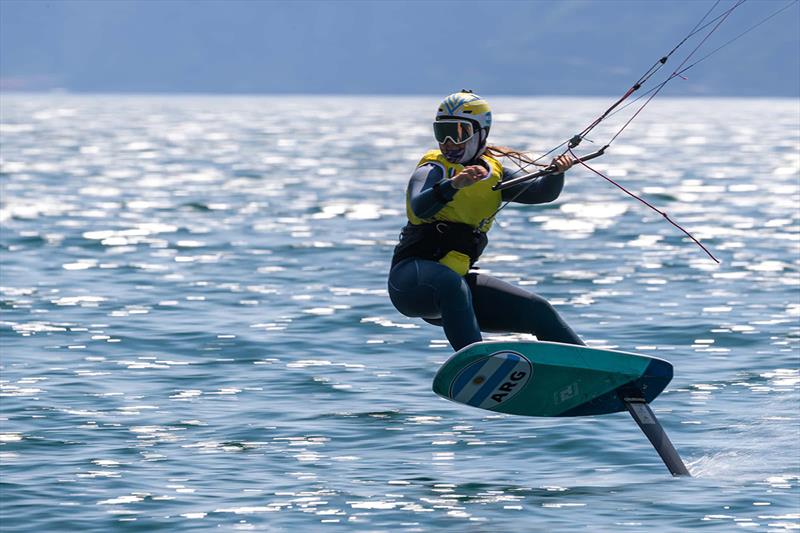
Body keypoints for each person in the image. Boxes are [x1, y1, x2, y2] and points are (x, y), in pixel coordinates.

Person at [388, 90, 585, 351]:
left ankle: (604, 376)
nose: (448, 142)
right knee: (451, 284)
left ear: (481, 133)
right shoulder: (433, 169)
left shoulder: (494, 173)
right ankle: (478, 365)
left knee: (538, 309)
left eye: (458, 132)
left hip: (457, 291)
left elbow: (543, 193)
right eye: (441, 132)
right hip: (411, 283)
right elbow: (420, 206)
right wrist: (454, 184)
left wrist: (556, 173)